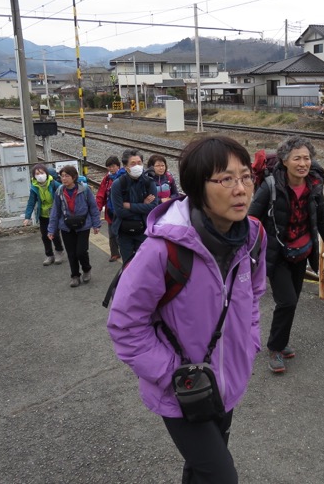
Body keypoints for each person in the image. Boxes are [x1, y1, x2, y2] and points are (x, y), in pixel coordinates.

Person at [107, 135, 266, 484]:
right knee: (222, 476)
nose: (240, 189)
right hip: (179, 389)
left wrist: (249, 344)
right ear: (197, 187)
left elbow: (253, 293)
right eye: (226, 179)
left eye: (245, 177)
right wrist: (169, 374)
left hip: (227, 382)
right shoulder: (164, 249)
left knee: (201, 469)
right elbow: (124, 324)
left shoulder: (253, 235)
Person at [249, 135, 324, 374]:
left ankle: (281, 341)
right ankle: (275, 348)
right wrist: (244, 252)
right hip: (277, 254)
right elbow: (251, 220)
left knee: (291, 302)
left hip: (302, 252)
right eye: (297, 158)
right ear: (284, 160)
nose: (303, 163)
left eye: (307, 158)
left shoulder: (313, 185)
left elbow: (322, 219)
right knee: (287, 301)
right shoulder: (270, 186)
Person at [47, 164, 101, 288]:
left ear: (74, 177)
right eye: (62, 176)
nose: (64, 178)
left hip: (83, 225)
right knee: (71, 253)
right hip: (66, 226)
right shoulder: (59, 191)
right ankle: (75, 275)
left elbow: (93, 207)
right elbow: (56, 211)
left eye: (67, 176)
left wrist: (96, 224)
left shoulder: (85, 189)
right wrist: (51, 229)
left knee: (81, 251)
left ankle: (86, 269)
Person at [110, 149, 158, 264]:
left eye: (139, 163)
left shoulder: (149, 182)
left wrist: (130, 206)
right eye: (133, 163)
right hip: (124, 232)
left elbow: (153, 207)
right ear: (126, 166)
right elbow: (119, 211)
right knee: (128, 265)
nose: (137, 166)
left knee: (145, 264)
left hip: (143, 230)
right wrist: (143, 205)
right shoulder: (118, 184)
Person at [23, 163, 65, 266]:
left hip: (55, 214)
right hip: (43, 215)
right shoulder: (34, 187)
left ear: (46, 173)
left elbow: (65, 192)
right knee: (45, 236)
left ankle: (59, 252)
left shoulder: (54, 184)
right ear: (34, 176)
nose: (40, 175)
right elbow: (31, 202)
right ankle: (49, 255)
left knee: (54, 234)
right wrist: (27, 217)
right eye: (37, 174)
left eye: (41, 173)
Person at [96, 155, 122, 262]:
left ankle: (126, 252)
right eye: (109, 167)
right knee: (112, 234)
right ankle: (114, 253)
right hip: (110, 211)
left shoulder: (123, 177)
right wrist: (97, 209)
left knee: (121, 234)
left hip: (121, 211)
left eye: (113, 166)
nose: (111, 169)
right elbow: (101, 194)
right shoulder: (106, 179)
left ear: (118, 166)